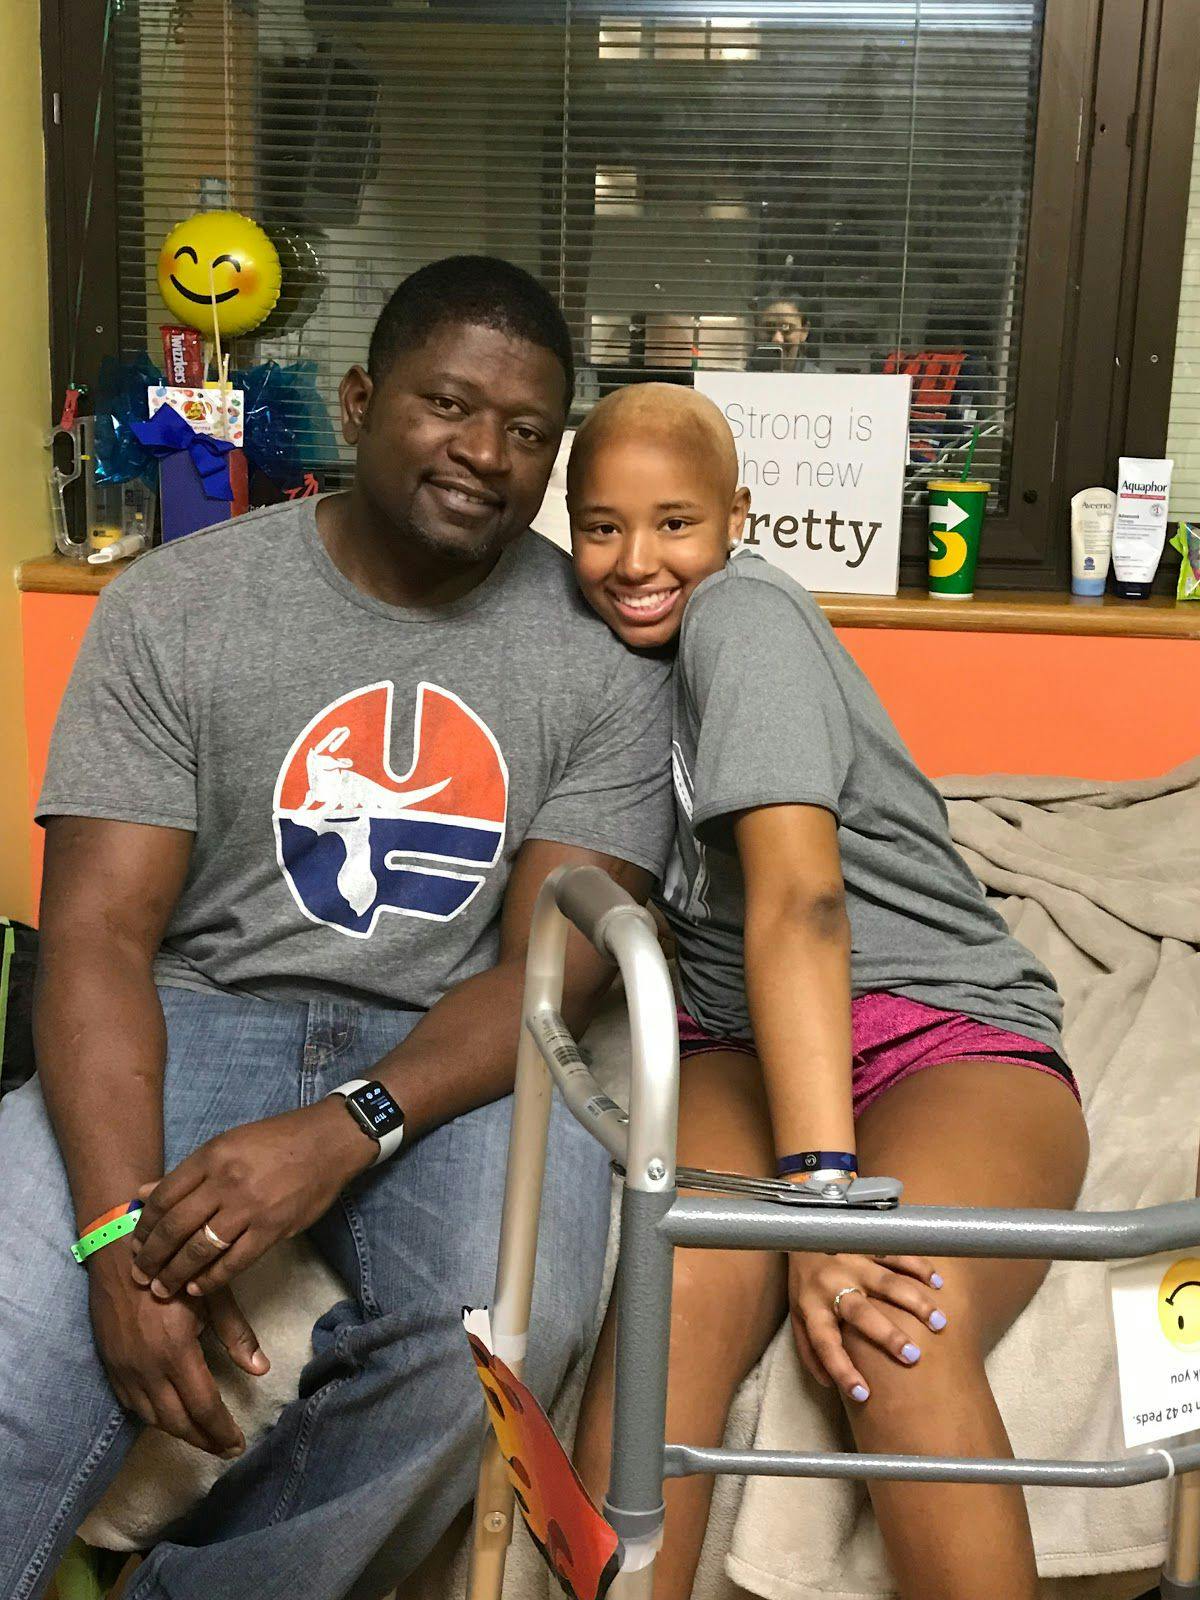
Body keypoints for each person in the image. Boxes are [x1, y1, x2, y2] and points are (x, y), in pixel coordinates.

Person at [0, 257, 673, 1600]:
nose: (485, 453)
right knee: (13, 1336)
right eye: (447, 405)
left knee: (501, 1336)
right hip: (196, 1013)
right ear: (360, 403)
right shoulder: (177, 610)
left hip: (457, 1039)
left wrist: (349, 1124)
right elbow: (94, 939)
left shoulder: (604, 655)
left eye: (530, 432)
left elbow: (558, 963)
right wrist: (111, 1251)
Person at [567, 383, 1089, 1600]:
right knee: (663, 1310)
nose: (637, 561)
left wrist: (823, 1201)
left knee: (888, 1330)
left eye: (676, 524)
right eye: (601, 527)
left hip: (935, 1026)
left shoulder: (740, 620)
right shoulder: (595, 645)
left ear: (738, 520)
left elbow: (801, 905)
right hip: (737, 1038)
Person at [751, 285, 815, 372]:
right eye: (769, 328)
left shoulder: (816, 382)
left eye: (787, 329)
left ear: (804, 331)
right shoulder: (739, 377)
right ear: (756, 328)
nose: (777, 339)